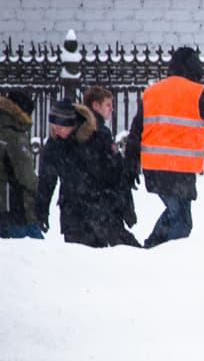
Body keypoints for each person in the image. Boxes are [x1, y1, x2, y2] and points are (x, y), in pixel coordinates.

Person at [124, 46, 204, 248]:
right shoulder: (197, 93)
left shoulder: (152, 92)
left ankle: (152, 246)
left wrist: (131, 163)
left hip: (155, 167)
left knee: (176, 213)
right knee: (182, 221)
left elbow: (137, 130)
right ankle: (164, 255)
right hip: (179, 169)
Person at [36, 99, 140, 248]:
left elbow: (117, 175)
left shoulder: (99, 136)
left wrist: (127, 207)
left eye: (60, 127)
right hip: (73, 215)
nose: (56, 130)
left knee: (124, 255)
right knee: (81, 263)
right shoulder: (54, 144)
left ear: (71, 123)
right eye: (53, 126)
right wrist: (41, 210)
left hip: (105, 210)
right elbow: (46, 180)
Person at [82, 85, 139, 233]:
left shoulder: (81, 128)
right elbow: (113, 168)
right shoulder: (100, 132)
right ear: (95, 105)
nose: (111, 109)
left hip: (85, 204)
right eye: (108, 105)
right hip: (103, 202)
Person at [0, 89, 43, 239]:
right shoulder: (13, 135)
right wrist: (40, 189)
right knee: (36, 256)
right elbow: (26, 176)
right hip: (16, 207)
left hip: (5, 206)